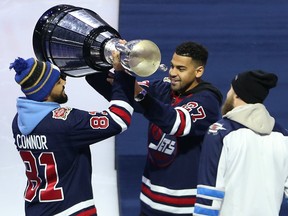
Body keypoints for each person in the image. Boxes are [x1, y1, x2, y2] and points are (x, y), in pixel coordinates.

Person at [86, 41, 223, 216]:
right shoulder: (163, 88)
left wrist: (136, 90)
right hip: (149, 202)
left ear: (199, 71)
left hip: (185, 207)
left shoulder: (207, 100)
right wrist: (101, 58)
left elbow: (174, 123)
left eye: (181, 69)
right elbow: (113, 88)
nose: (172, 73)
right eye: (172, 66)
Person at [9, 52, 135, 216]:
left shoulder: (18, 121)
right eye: (57, 80)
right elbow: (119, 119)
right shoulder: (65, 122)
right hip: (71, 210)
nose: (63, 81)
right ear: (45, 91)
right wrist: (122, 75)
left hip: (36, 209)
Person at [194, 70, 288, 216]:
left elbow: (209, 194)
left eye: (231, 89)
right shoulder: (283, 136)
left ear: (237, 94)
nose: (228, 94)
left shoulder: (219, 132)